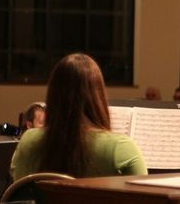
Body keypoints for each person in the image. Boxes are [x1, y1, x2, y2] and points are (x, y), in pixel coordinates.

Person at [11, 53, 147, 181]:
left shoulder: (28, 141)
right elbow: (144, 202)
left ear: (53, 96)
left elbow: (18, 189)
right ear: (98, 96)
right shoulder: (121, 148)